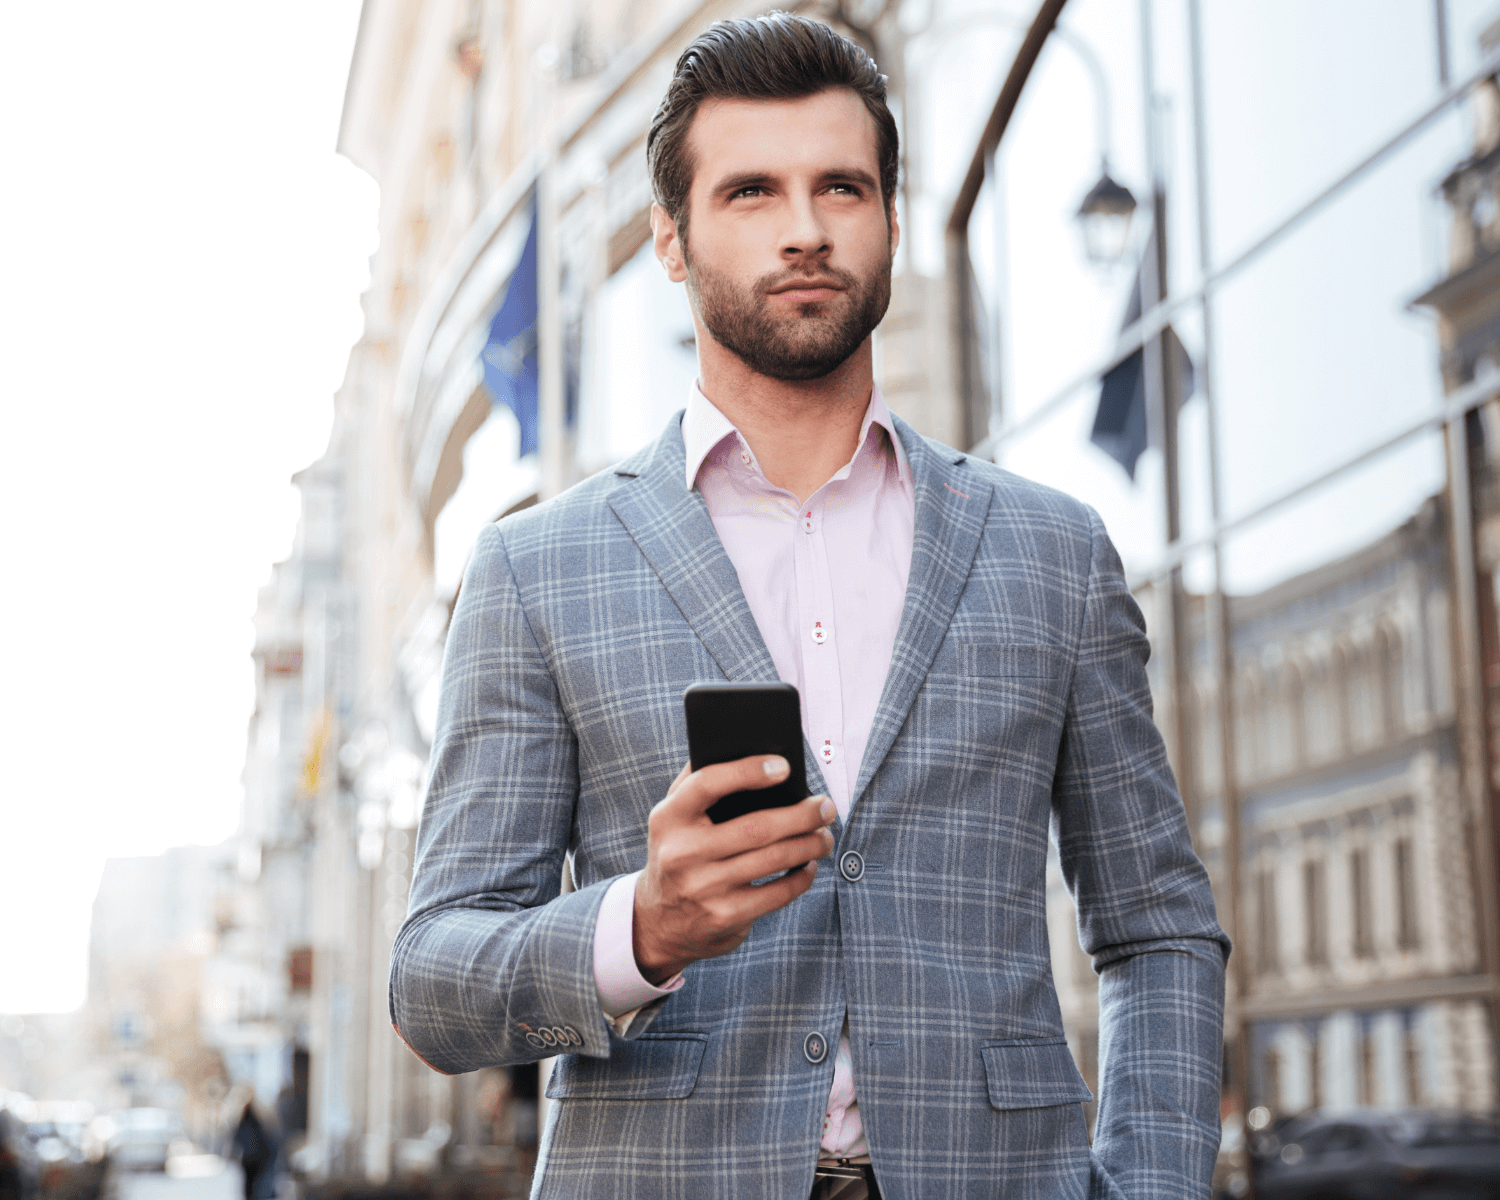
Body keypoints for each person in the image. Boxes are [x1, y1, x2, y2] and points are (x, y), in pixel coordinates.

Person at [390, 13, 1230, 1199]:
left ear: (889, 214)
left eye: (841, 186)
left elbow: (1158, 929)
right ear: (669, 239)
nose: (802, 231)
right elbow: (433, 982)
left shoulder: (1054, 552)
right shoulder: (536, 569)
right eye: (749, 193)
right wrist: (639, 927)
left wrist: (1150, 1187)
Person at [228, 1100, 277, 1200]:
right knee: (254, 1184)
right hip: (255, 1159)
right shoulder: (258, 1124)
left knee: (251, 1185)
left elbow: (236, 1139)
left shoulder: (246, 1124)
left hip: (250, 1159)